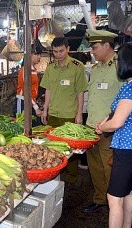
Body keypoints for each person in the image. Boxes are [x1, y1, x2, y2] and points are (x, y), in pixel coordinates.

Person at [96, 42, 132, 228]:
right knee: (128, 191)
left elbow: (118, 122)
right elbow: (117, 115)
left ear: (127, 62)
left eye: (119, 60)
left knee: (114, 197)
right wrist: (105, 122)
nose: (118, 64)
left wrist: (103, 128)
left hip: (128, 145)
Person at [83, 29, 123, 212]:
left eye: (95, 46)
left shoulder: (120, 68)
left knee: (109, 166)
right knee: (95, 166)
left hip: (109, 128)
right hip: (91, 126)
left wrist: (111, 124)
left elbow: (124, 100)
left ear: (107, 45)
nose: (92, 50)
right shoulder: (96, 68)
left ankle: (114, 201)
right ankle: (100, 200)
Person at [40, 37, 88, 183]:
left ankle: (72, 179)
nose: (58, 54)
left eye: (61, 51)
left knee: (70, 149)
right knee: (53, 147)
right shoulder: (50, 67)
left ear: (67, 49)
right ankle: (55, 175)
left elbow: (81, 92)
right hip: (54, 113)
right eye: (55, 51)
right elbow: (48, 90)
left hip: (69, 114)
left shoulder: (77, 66)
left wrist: (79, 114)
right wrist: (45, 109)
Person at [15, 44, 43, 126]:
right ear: (30, 55)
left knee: (31, 125)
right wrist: (36, 107)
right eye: (37, 54)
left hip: (31, 101)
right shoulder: (25, 70)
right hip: (23, 101)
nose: (39, 57)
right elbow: (26, 91)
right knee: (22, 125)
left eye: (40, 55)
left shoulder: (33, 70)